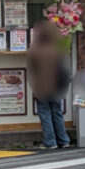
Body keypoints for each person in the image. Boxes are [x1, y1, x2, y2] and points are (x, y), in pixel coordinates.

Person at [28, 20, 72, 149]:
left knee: (45, 113)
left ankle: (50, 142)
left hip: (41, 87)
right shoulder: (59, 49)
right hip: (57, 86)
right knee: (57, 112)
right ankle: (64, 140)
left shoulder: (35, 50)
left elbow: (32, 70)